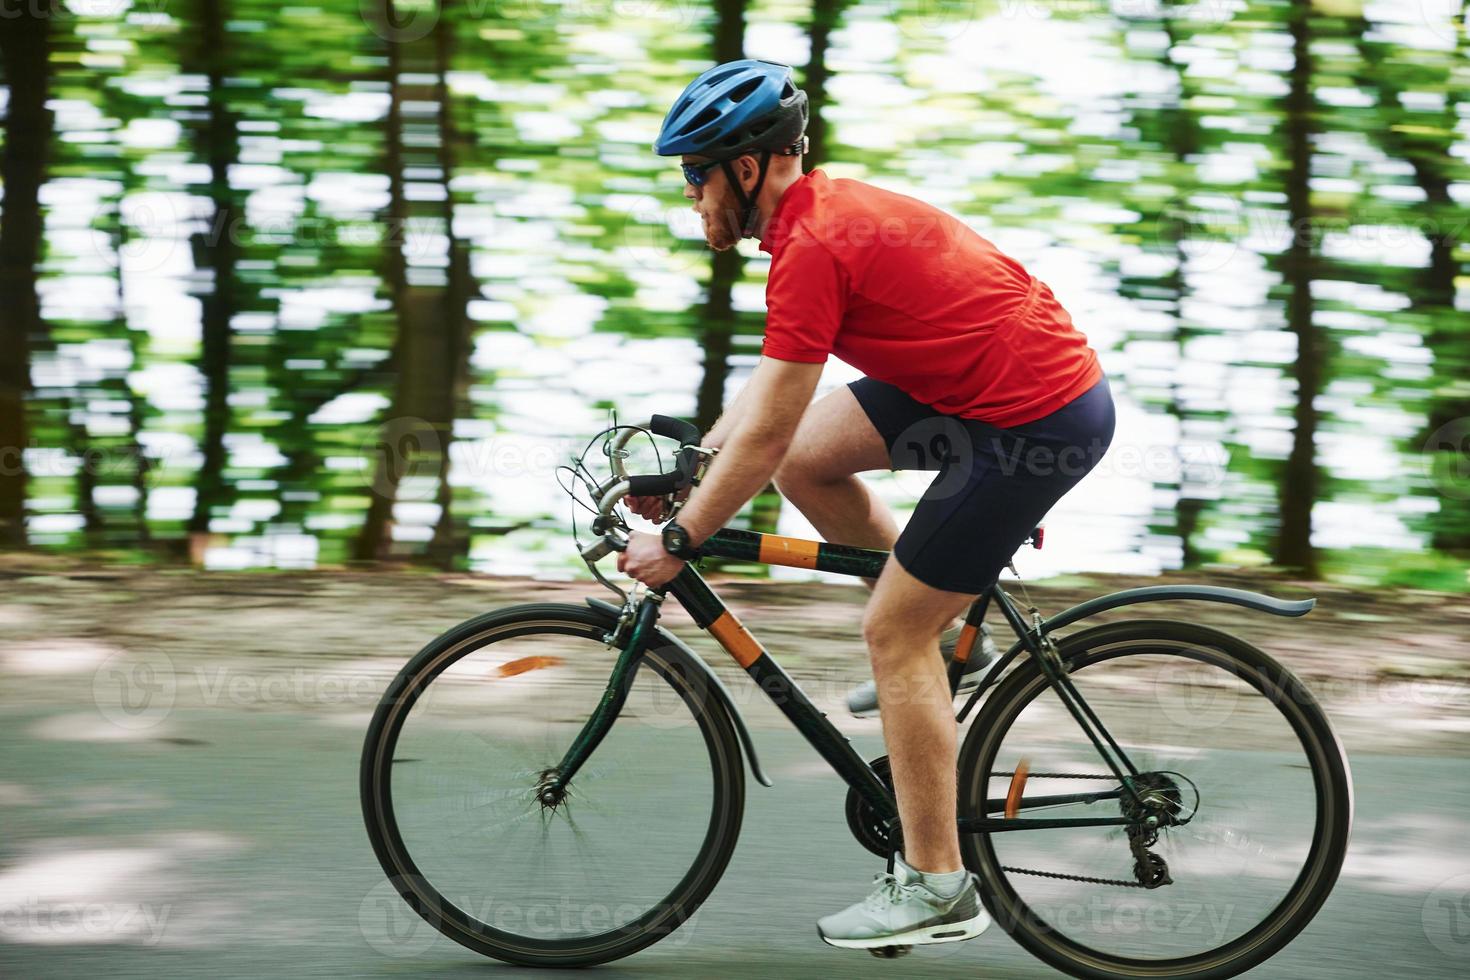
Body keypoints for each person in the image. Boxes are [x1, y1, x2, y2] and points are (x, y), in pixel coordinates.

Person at [617, 59, 1115, 951]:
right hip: (982, 385)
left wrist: (684, 537)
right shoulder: (811, 219)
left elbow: (761, 432)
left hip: (1034, 416)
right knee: (808, 461)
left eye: (695, 174)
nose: (689, 196)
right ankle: (951, 634)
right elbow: (775, 409)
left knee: (894, 632)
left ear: (744, 168)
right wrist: (698, 464)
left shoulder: (811, 245)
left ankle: (937, 885)